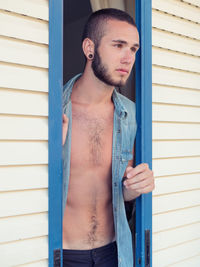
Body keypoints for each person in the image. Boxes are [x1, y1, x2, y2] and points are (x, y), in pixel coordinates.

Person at [62, 8, 154, 267]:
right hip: (65, 254)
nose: (128, 58)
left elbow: (117, 192)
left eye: (134, 49)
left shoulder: (132, 115)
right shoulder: (54, 112)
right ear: (89, 48)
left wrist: (133, 189)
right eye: (118, 45)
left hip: (115, 253)